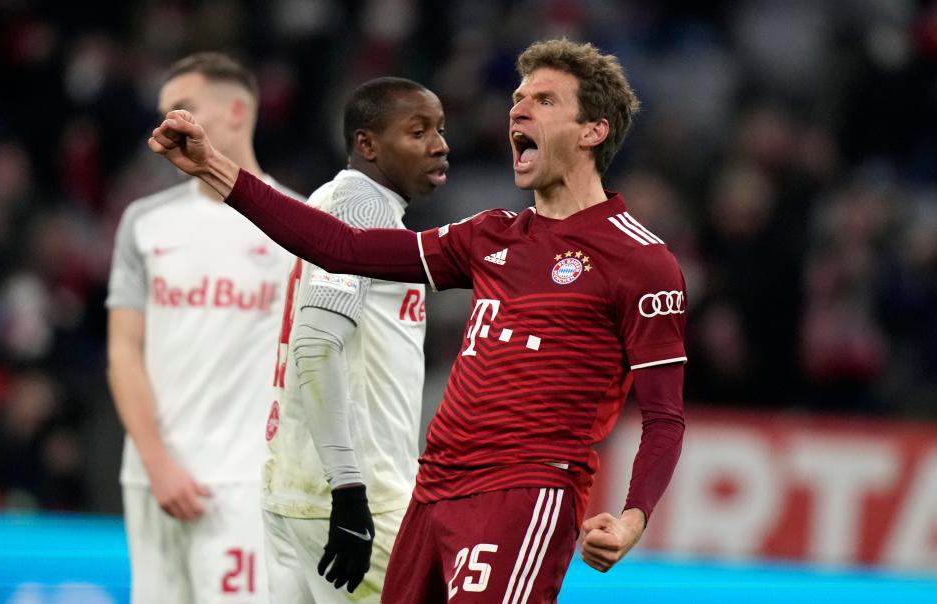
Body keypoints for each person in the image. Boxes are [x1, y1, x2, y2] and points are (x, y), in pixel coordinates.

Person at [149, 38, 687, 604]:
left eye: (545, 101)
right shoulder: (490, 234)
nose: (518, 110)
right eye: (518, 96)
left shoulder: (640, 261)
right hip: (432, 491)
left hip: (522, 491)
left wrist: (633, 518)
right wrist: (213, 167)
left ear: (592, 131)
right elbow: (342, 247)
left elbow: (664, 416)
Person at [107, 52, 299, 604]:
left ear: (237, 111)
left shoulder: (300, 223)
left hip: (246, 486)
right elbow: (124, 350)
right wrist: (158, 463)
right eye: (163, 114)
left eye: (184, 109)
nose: (168, 125)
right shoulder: (145, 223)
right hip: (151, 480)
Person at [261, 77, 448, 602]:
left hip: (300, 489)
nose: (439, 144)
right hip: (353, 496)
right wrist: (348, 490)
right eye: (418, 131)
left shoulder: (342, 205)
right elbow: (316, 346)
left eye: (439, 130)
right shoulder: (357, 208)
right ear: (367, 145)